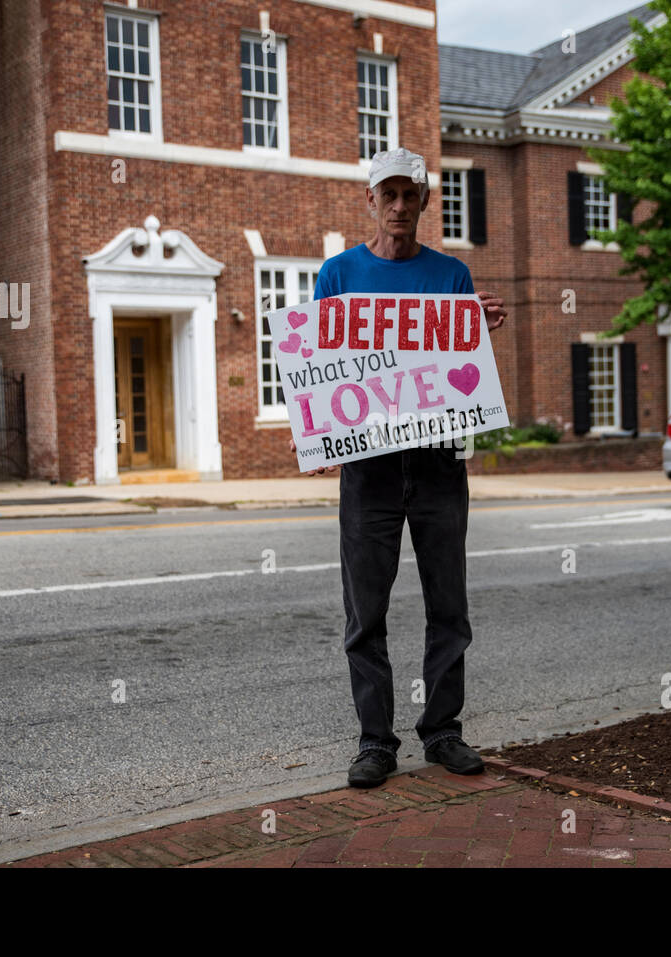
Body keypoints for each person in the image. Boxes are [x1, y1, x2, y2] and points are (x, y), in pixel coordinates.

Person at [285, 147, 507, 788]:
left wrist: (477, 332)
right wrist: (321, 433)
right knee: (366, 612)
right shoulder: (339, 274)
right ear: (371, 200)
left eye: (412, 195)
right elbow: (325, 365)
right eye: (390, 194)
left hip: (438, 462)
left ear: (426, 202)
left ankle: (442, 732)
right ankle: (375, 742)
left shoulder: (451, 276)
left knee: (449, 606)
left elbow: (458, 374)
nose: (401, 206)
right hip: (369, 469)